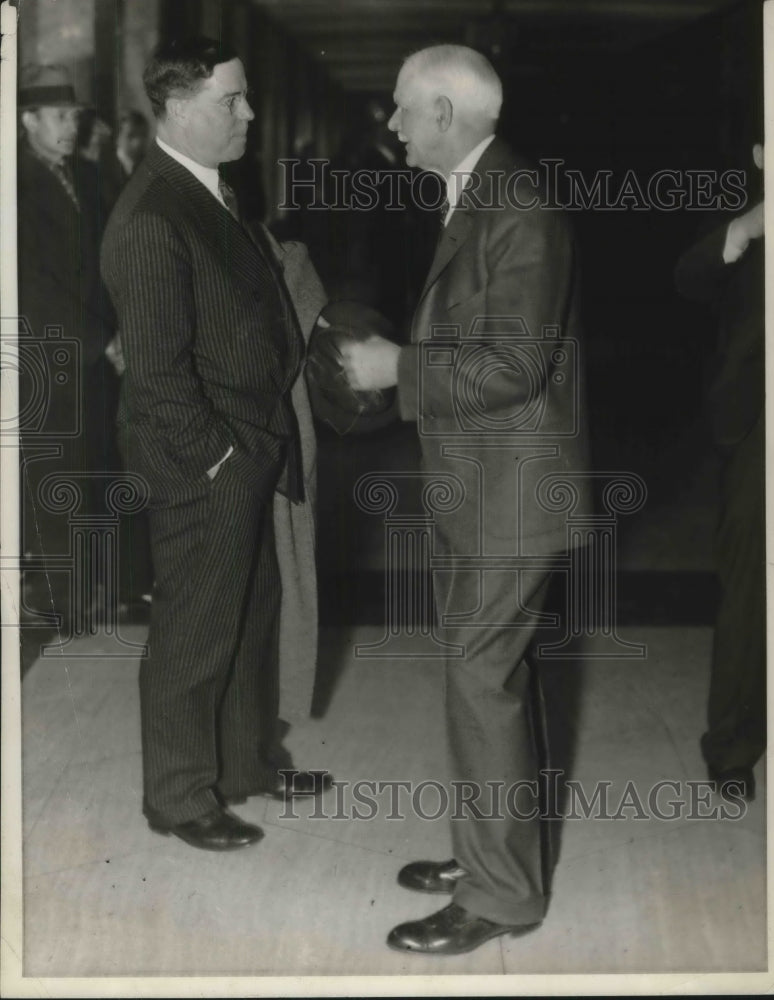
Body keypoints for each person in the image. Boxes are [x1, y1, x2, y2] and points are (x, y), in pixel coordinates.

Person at [340, 45, 590, 955]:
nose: (395, 127)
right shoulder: (483, 196)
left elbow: (513, 368)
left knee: (482, 680)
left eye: (404, 110)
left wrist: (395, 367)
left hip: (509, 493)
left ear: (446, 114)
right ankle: (493, 855)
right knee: (493, 678)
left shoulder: (517, 206)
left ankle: (500, 897)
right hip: (485, 484)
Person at [100, 36, 330, 852]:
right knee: (196, 634)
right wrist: (222, 462)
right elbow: (159, 380)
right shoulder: (152, 215)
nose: (250, 113)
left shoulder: (208, 190)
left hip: (247, 445)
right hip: (206, 463)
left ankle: (244, 768)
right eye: (231, 100)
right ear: (177, 106)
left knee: (250, 615)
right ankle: (179, 797)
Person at [674, 144, 765, 802]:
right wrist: (746, 229)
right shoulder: (746, 226)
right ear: (763, 154)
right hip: (761, 429)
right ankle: (733, 746)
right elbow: (688, 277)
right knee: (750, 583)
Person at [17, 65, 117, 618]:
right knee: (56, 478)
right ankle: (62, 600)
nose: (71, 127)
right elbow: (30, 284)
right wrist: (101, 339)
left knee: (92, 468)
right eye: (59, 117)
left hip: (96, 351)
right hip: (50, 355)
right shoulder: (13, 182)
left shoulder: (86, 174)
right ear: (26, 119)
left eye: (74, 117)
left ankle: (92, 591)